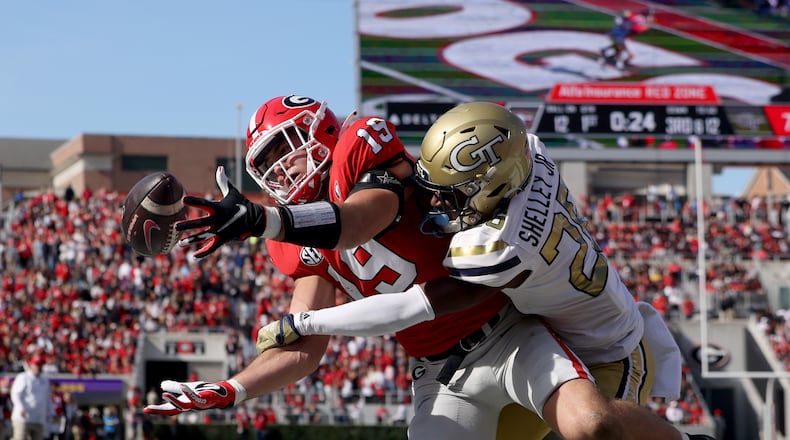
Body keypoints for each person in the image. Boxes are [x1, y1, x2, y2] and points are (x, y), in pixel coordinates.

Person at [142, 95, 617, 440]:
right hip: (440, 370)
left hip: (506, 329)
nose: (280, 169)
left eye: (284, 147)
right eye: (266, 163)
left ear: (321, 130)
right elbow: (304, 346)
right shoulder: (291, 238)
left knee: (591, 426)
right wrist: (233, 388)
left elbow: (353, 222)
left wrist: (263, 221)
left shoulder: (362, 146)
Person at [253, 102, 713, 440]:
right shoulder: (529, 154)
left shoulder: (494, 248)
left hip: (608, 345)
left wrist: (303, 320)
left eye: (449, 194)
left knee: (595, 428)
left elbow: (408, 307)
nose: (434, 202)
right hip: (560, 328)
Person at [10, 356, 51, 440]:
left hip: (39, 418)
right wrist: (21, 408)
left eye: (40, 365)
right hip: (23, 417)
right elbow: (15, 394)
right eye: (36, 365)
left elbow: (46, 398)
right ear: (31, 365)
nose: (38, 367)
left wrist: (50, 412)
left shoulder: (44, 380)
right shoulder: (23, 377)